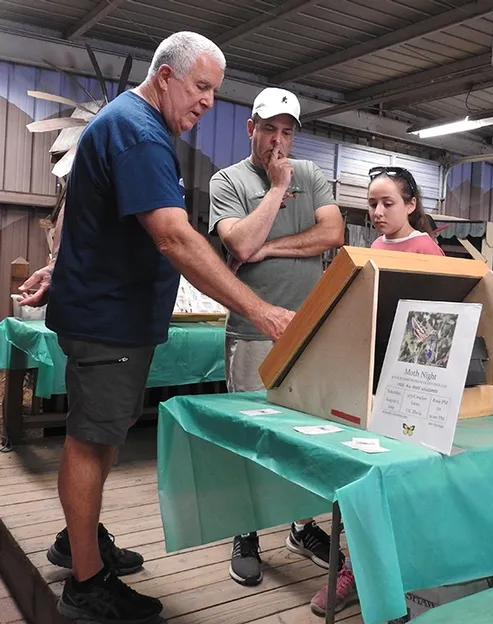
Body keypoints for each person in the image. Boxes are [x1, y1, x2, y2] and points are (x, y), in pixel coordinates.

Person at [18, 32, 294, 624]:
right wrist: (259, 310)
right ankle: (86, 584)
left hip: (110, 311)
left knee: (104, 434)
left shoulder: (126, 122)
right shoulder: (142, 131)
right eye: (200, 87)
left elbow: (82, 212)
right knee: (91, 441)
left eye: (215, 92)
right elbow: (172, 235)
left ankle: (78, 541)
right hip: (109, 319)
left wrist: (59, 267)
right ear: (165, 76)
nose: (207, 103)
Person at [209, 87, 346, 588]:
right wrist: (273, 189)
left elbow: (332, 235)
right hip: (251, 331)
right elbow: (240, 242)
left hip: (308, 334)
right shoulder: (227, 181)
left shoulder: (310, 175)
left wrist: (271, 250)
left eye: (288, 131)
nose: (279, 140)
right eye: (270, 129)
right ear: (251, 128)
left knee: (305, 436)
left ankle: (302, 526)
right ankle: (245, 531)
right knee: (249, 433)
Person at [310, 165, 443, 617]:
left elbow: (436, 322)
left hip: (411, 379)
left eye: (388, 203)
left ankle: (402, 574)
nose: (379, 212)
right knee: (362, 468)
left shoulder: (426, 249)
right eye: (371, 204)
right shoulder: (373, 248)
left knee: (403, 478)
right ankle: (354, 571)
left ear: (411, 205)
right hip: (369, 375)